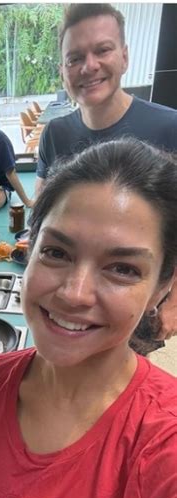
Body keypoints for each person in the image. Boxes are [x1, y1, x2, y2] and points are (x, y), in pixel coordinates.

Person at [0, 139, 177, 498]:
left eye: (123, 269)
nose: (74, 293)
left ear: (160, 289)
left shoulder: (164, 440)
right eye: (56, 252)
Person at [35, 3, 177, 342]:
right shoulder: (55, 134)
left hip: (137, 305)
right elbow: (40, 219)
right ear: (63, 70)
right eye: (75, 58)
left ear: (124, 57)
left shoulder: (169, 127)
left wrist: (173, 303)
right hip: (65, 301)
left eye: (102, 50)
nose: (89, 66)